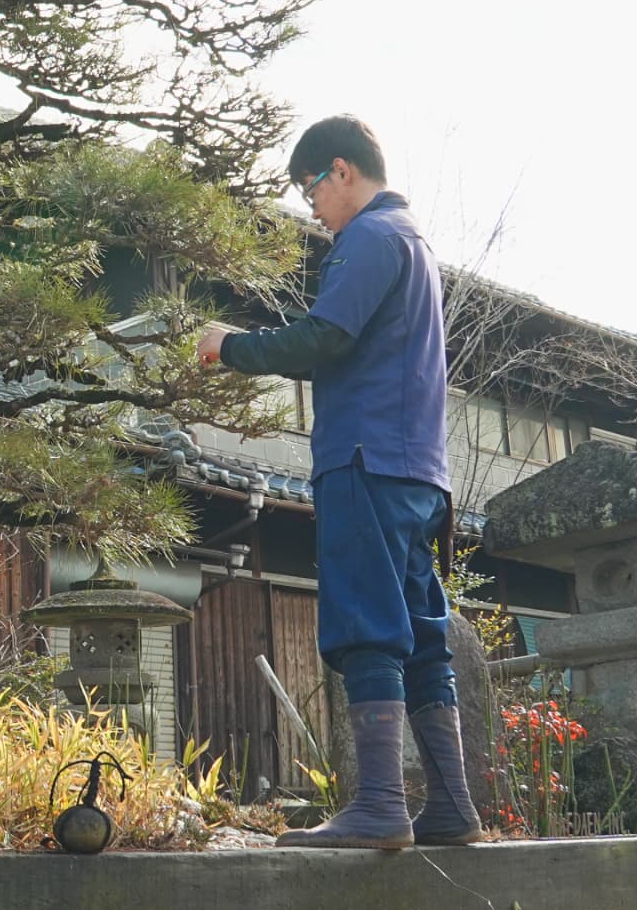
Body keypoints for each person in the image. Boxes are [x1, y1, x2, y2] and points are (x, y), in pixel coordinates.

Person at [196, 116, 482, 850]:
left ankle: (381, 805)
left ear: (343, 170)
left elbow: (325, 337)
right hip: (419, 472)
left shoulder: (371, 239)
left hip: (365, 460)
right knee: (422, 636)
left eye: (310, 187)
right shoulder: (415, 243)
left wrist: (231, 346)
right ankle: (451, 809)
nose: (312, 207)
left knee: (365, 626)